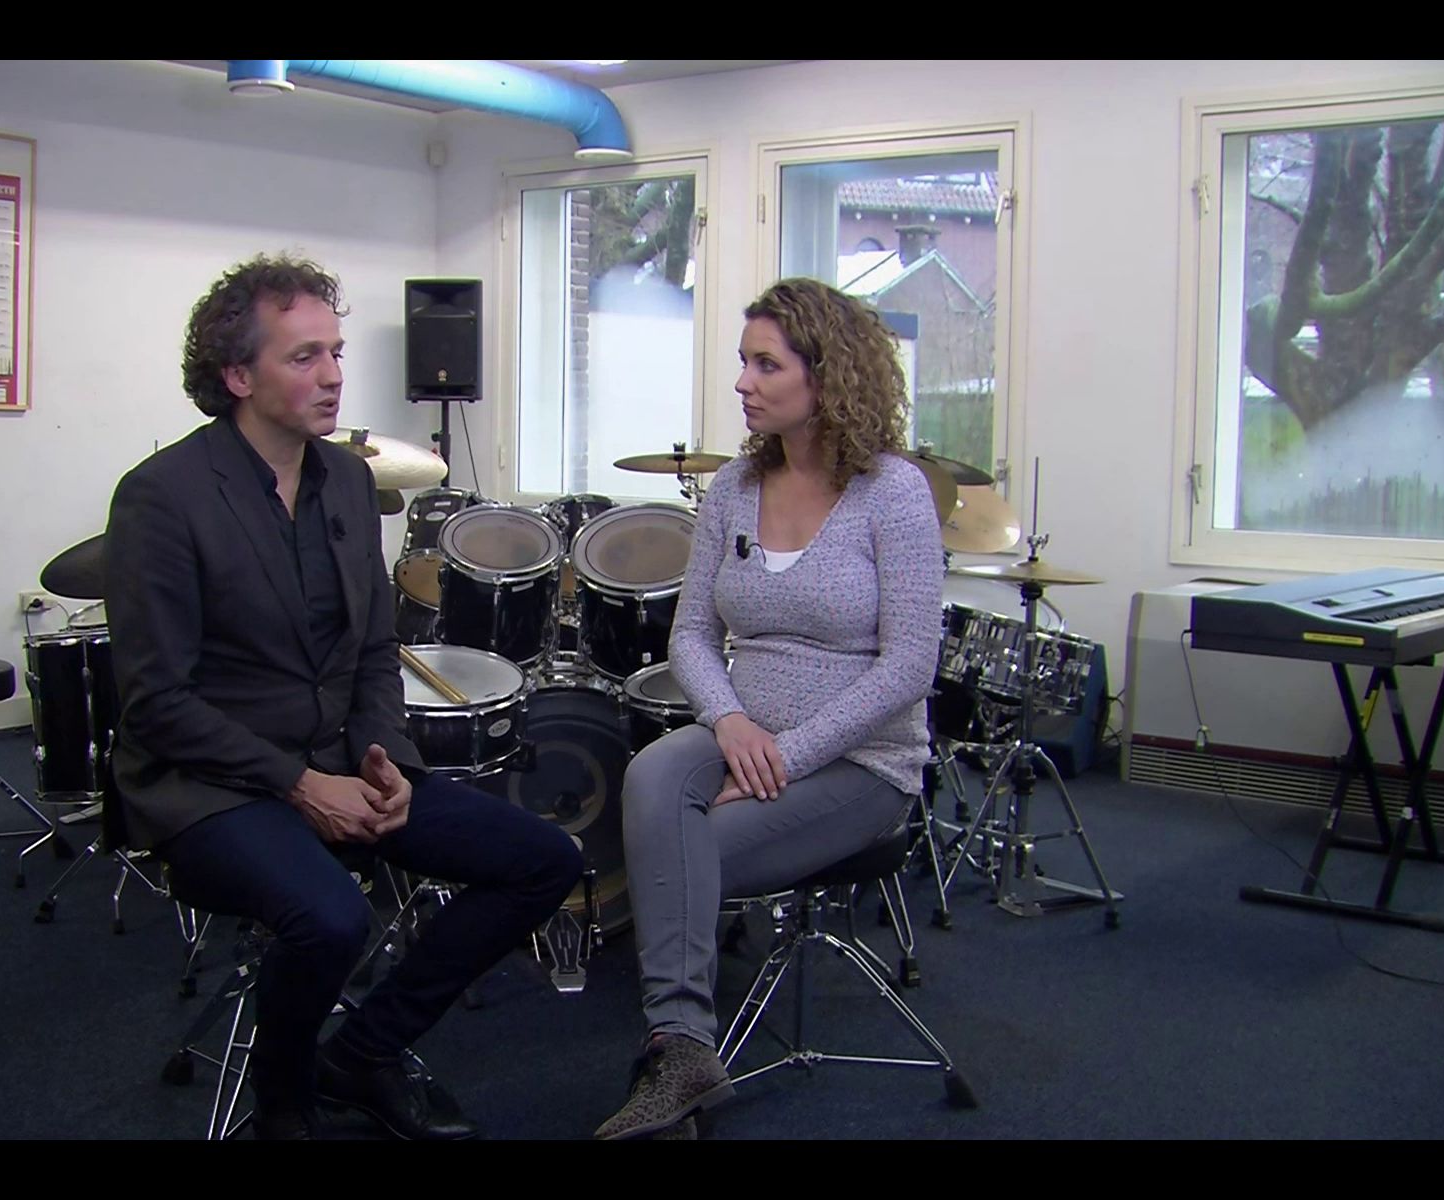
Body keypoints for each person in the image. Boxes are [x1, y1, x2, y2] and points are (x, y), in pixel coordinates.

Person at [104, 254, 583, 1140]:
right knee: (331, 917)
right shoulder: (161, 498)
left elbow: (370, 652)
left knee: (543, 861)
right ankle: (284, 1102)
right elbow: (156, 702)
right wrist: (298, 784)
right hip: (209, 786)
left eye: (335, 352)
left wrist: (384, 759)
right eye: (304, 357)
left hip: (339, 760)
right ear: (237, 375)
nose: (332, 375)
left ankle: (363, 1052)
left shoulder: (350, 481)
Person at [593, 278, 944, 1140]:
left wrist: (789, 756)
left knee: (684, 854)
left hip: (862, 763)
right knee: (651, 773)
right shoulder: (734, 487)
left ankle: (674, 1058)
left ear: (827, 374)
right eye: (743, 363)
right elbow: (691, 637)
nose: (743, 383)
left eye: (765, 365)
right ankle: (683, 1049)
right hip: (746, 734)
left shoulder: (893, 492)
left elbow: (910, 665)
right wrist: (732, 722)